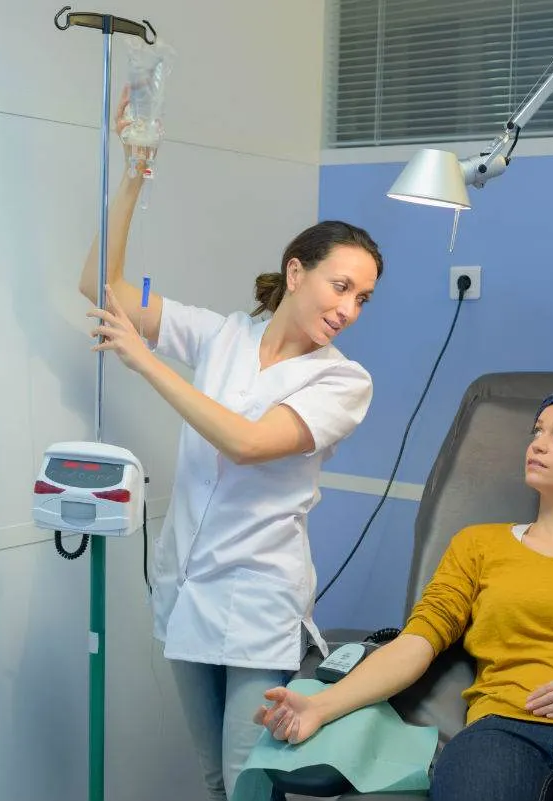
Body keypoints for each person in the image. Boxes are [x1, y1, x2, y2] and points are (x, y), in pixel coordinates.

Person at [79, 89, 384, 801]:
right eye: (341, 285)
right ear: (297, 269)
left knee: (251, 783)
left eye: (363, 298)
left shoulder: (345, 382)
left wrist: (145, 359)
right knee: (216, 779)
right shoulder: (222, 334)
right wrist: (134, 172)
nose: (348, 308)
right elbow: (100, 286)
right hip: (187, 585)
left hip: (256, 601)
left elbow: (247, 443)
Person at [255, 382, 553, 801]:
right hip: (501, 730)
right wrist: (319, 706)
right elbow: (416, 643)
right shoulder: (479, 545)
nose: (537, 443)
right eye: (537, 430)